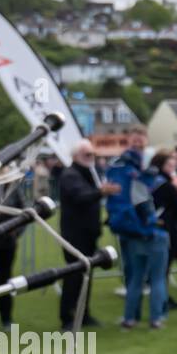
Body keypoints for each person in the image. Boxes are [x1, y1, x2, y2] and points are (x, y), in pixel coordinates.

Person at [105, 127, 170, 329]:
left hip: (132, 231)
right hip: (151, 230)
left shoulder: (119, 167)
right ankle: (156, 318)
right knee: (157, 278)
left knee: (135, 278)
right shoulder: (146, 174)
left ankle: (130, 318)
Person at [56, 140, 120, 328]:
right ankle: (67, 317)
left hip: (88, 233)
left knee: (86, 275)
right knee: (74, 274)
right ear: (76, 156)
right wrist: (102, 192)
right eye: (87, 155)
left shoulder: (87, 173)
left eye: (93, 154)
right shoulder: (71, 175)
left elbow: (90, 196)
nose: (91, 158)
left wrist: (101, 192)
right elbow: (81, 197)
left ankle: (84, 315)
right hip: (75, 235)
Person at [149, 150, 177, 305]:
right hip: (168, 228)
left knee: (167, 263)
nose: (173, 166)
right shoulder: (166, 185)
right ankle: (162, 299)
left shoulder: (152, 180)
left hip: (157, 226)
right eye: (170, 164)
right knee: (164, 266)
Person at [0, 158, 27, 329]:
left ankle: (6, 318)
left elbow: (24, 213)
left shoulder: (12, 188)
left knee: (4, 281)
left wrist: (16, 232)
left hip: (5, 242)